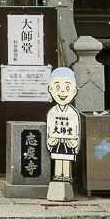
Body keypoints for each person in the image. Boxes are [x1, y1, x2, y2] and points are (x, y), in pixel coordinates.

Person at [45, 66, 81, 201]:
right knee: (58, 157)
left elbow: (76, 129)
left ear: (74, 90)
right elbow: (49, 128)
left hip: (68, 141)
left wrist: (75, 141)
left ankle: (66, 176)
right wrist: (50, 139)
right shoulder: (52, 112)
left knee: (66, 158)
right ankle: (58, 175)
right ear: (50, 89)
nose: (62, 92)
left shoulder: (72, 113)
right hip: (57, 141)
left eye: (67, 88)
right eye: (57, 87)